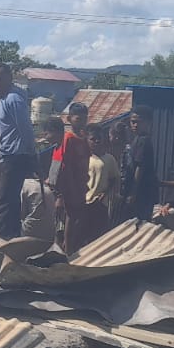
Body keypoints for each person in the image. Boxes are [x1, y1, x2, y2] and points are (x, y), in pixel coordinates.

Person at [0, 64, 38, 238]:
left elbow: (25, 128)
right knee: (10, 200)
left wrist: (32, 154)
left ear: (9, 78)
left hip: (13, 157)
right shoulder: (4, 99)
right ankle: (12, 236)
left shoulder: (13, 99)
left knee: (3, 201)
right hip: (7, 156)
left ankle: (1, 238)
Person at [26, 116, 65, 244]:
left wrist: (60, 197)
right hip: (53, 193)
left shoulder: (65, 149)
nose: (46, 137)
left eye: (47, 133)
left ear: (55, 131)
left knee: (61, 230)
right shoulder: (56, 148)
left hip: (61, 197)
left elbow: (65, 175)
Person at [59, 101, 92, 252]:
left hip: (82, 183)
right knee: (71, 217)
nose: (82, 122)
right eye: (78, 119)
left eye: (84, 119)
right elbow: (65, 165)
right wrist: (69, 187)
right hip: (72, 184)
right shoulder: (68, 139)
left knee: (80, 216)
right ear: (69, 119)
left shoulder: (84, 138)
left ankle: (72, 245)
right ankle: (68, 249)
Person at [80, 126, 121, 245]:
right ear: (87, 141)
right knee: (83, 235)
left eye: (99, 139)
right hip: (84, 202)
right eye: (93, 139)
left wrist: (105, 193)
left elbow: (114, 178)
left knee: (98, 237)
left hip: (100, 203)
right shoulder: (84, 158)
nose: (96, 142)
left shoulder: (109, 159)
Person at [121, 106, 158, 222]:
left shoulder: (144, 140)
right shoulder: (136, 139)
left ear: (147, 123)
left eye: (139, 122)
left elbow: (139, 168)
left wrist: (133, 193)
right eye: (133, 122)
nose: (135, 125)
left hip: (141, 193)